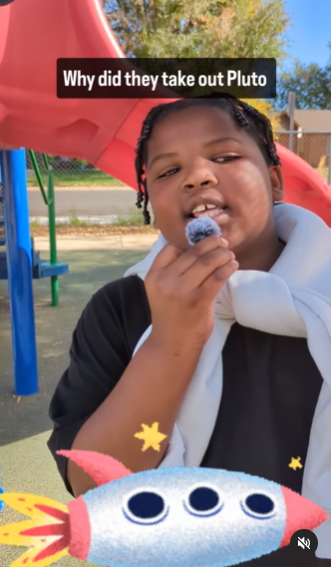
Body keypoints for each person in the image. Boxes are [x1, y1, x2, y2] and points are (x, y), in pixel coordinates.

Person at [48, 94, 331, 566]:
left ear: (274, 179)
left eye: (224, 156)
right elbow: (94, 488)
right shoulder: (119, 309)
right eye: (166, 171)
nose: (198, 176)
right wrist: (172, 341)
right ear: (149, 203)